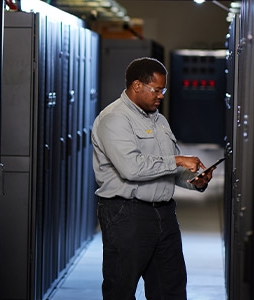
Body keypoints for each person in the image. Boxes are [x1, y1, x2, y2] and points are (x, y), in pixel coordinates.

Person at [91, 57, 216, 299]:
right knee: (121, 288)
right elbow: (132, 168)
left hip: (164, 215)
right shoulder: (114, 119)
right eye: (156, 89)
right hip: (127, 214)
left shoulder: (159, 119)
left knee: (171, 288)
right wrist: (179, 161)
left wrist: (193, 181)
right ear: (137, 86)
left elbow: (166, 166)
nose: (161, 95)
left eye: (163, 90)